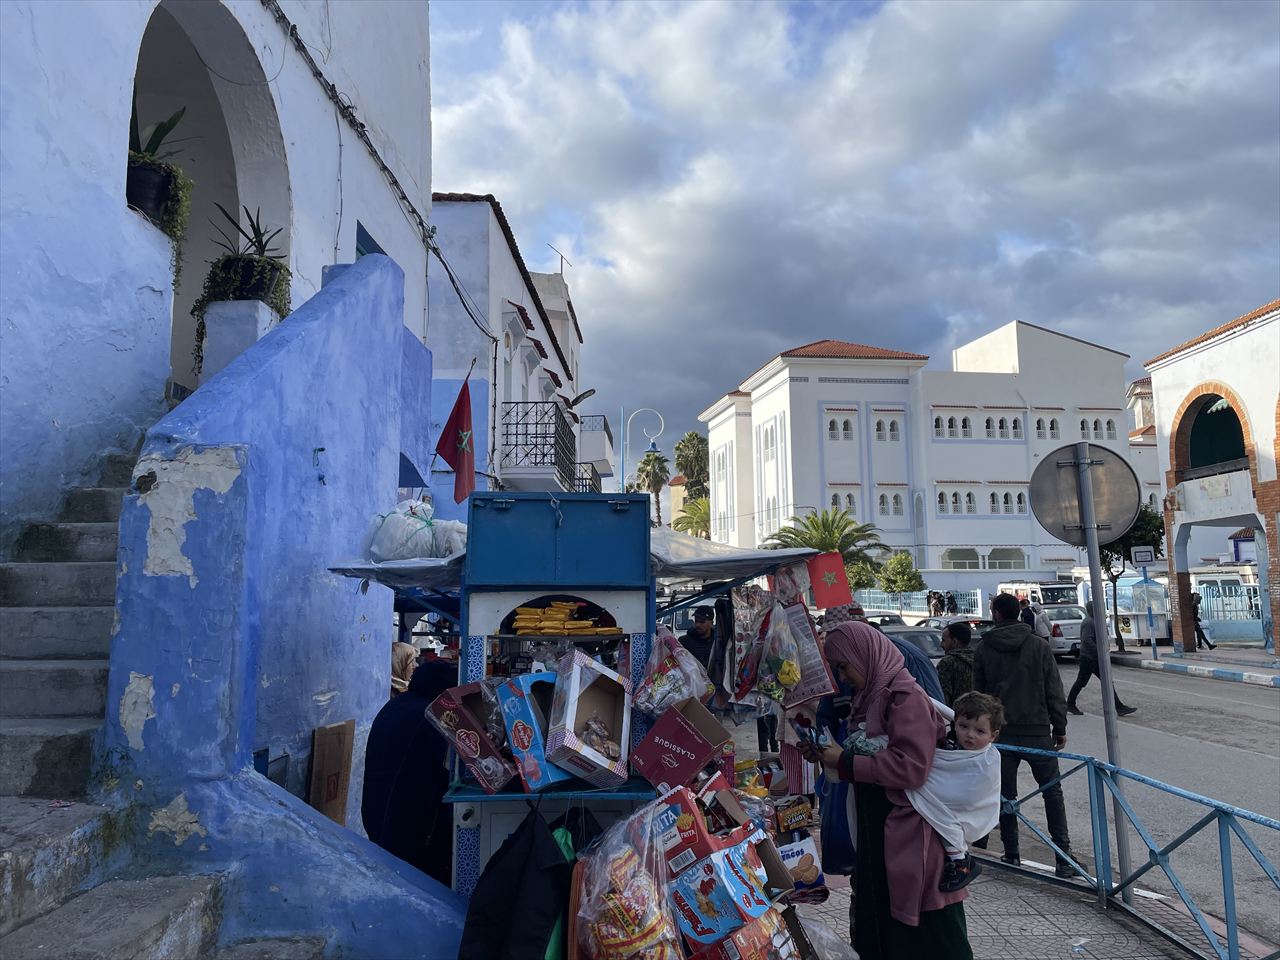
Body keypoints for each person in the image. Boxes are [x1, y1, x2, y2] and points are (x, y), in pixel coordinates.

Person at [805, 621, 974, 959]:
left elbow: (912, 768)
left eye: (844, 666)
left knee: (925, 924)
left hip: (910, 832)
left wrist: (846, 761)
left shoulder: (906, 698)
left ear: (864, 656)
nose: (842, 677)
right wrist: (829, 757)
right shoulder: (870, 697)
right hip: (880, 829)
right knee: (883, 916)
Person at [973, 592, 1076, 878]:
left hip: (1000, 735)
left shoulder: (984, 648)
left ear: (996, 614)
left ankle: (1012, 854)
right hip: (1037, 730)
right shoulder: (1038, 646)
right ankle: (1063, 858)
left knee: (1006, 795)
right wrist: (1060, 727)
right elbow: (1053, 689)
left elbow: (978, 697)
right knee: (1052, 793)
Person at [362, 656, 457, 884]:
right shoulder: (431, 715)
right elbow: (453, 766)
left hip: (378, 813)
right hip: (407, 823)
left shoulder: (397, 704)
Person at [906, 692, 1004, 893]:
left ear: (993, 736)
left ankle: (960, 860)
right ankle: (959, 858)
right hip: (947, 808)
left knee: (941, 814)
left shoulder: (988, 759)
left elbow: (970, 793)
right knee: (937, 809)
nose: (970, 735)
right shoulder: (949, 745)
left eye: (979, 731)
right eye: (963, 726)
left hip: (968, 806)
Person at [823, 603, 945, 702]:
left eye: (844, 633)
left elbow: (933, 709)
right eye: (831, 633)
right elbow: (827, 713)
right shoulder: (838, 662)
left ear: (864, 625)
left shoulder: (910, 657)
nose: (836, 640)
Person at [1068, 601, 1137, 717]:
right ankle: (1070, 703)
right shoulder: (1089, 623)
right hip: (1088, 658)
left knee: (1107, 681)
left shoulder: (1095, 621)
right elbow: (1087, 640)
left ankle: (1118, 707)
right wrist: (1100, 651)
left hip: (1095, 658)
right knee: (1081, 681)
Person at [936, 621, 976, 707]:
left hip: (956, 713)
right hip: (979, 712)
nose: (941, 644)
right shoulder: (978, 659)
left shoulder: (947, 663)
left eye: (943, 640)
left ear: (955, 641)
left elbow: (942, 697)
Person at [681, 605, 717, 672]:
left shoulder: (718, 644)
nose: (697, 625)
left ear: (711, 623)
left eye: (702, 622)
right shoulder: (684, 642)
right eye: (696, 621)